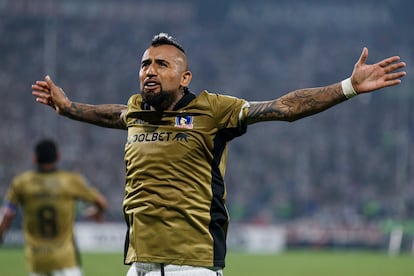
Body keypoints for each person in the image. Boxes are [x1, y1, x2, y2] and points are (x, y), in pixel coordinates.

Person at [31, 33, 406, 276]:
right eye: (145, 63)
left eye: (162, 64)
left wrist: (347, 87)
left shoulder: (213, 110)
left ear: (185, 77)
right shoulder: (136, 111)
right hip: (139, 266)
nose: (150, 70)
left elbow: (283, 107)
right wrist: (69, 108)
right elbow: (112, 114)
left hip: (192, 267)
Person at [0, 139, 108, 276]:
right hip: (66, 261)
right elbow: (102, 202)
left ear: (34, 158)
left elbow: (7, 214)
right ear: (58, 157)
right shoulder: (70, 181)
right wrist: (96, 213)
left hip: (37, 261)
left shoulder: (21, 183)